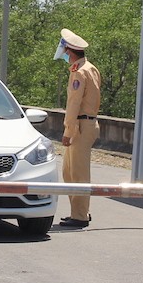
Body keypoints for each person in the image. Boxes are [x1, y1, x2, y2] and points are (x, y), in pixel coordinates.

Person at [54, 29, 102, 229]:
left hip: (80, 125)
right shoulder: (89, 68)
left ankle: (80, 215)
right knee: (70, 171)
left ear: (71, 50)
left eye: (65, 49)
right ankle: (79, 212)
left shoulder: (79, 72)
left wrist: (68, 131)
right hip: (86, 123)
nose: (63, 52)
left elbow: (74, 104)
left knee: (77, 173)